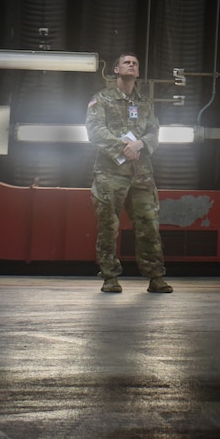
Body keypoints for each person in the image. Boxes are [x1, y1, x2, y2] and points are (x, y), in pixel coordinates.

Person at [87, 53, 172, 294]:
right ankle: (110, 277)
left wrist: (141, 144)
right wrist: (122, 147)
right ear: (116, 69)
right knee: (108, 226)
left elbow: (154, 131)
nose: (132, 65)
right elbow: (94, 130)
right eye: (127, 62)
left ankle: (156, 277)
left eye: (135, 63)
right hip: (110, 174)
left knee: (149, 225)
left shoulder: (145, 102)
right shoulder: (101, 99)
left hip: (141, 174)